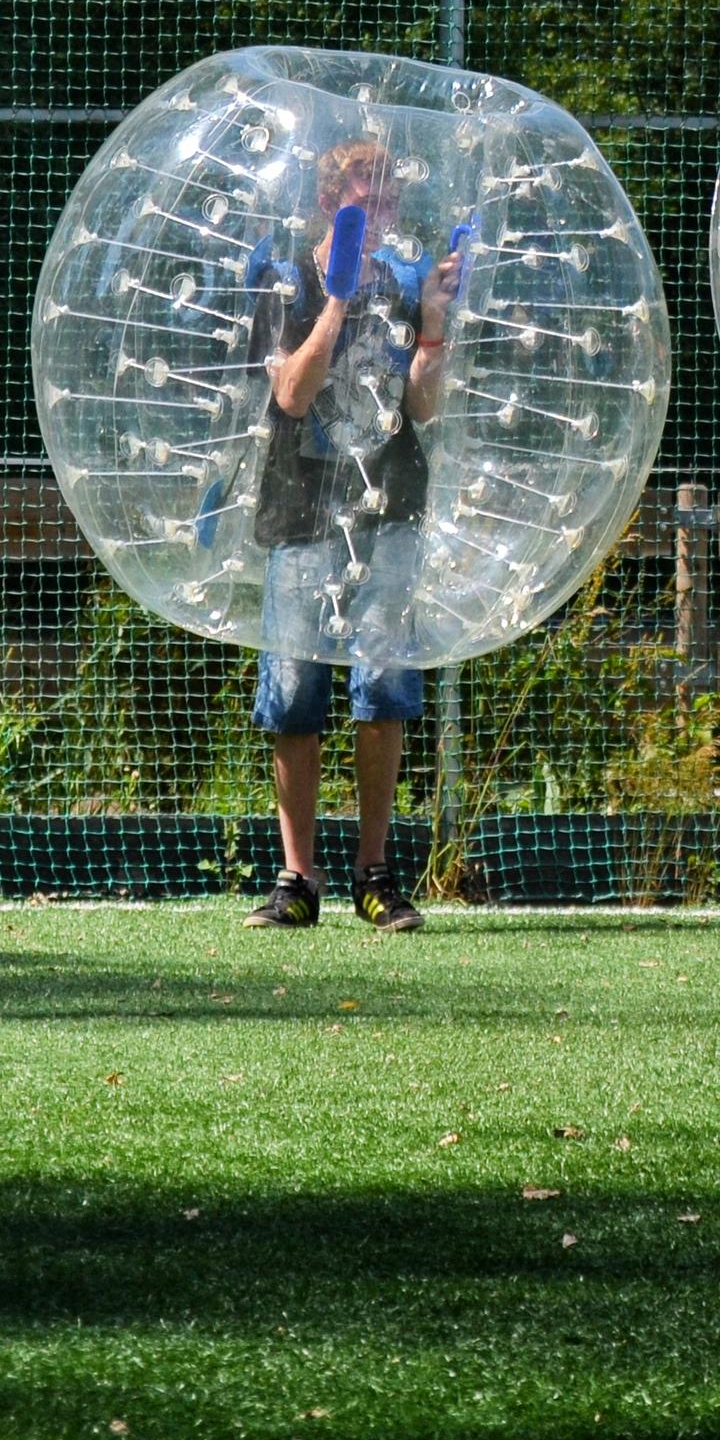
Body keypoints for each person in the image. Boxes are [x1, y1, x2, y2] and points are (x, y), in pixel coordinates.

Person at [241, 137, 464, 932]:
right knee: (295, 689)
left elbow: (423, 409)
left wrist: (431, 329)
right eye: (364, 200)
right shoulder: (284, 278)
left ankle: (375, 871)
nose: (380, 213)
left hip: (388, 507)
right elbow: (293, 397)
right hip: (303, 510)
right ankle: (297, 877)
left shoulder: (402, 286)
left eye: (389, 201)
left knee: (383, 686)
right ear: (331, 202)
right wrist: (335, 301)